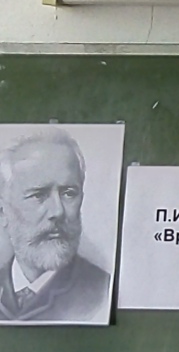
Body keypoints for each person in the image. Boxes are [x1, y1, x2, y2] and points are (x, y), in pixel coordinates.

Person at [0, 130, 111, 323]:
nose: (57, 211)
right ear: (3, 211)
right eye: (38, 195)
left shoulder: (103, 292)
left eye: (69, 193)